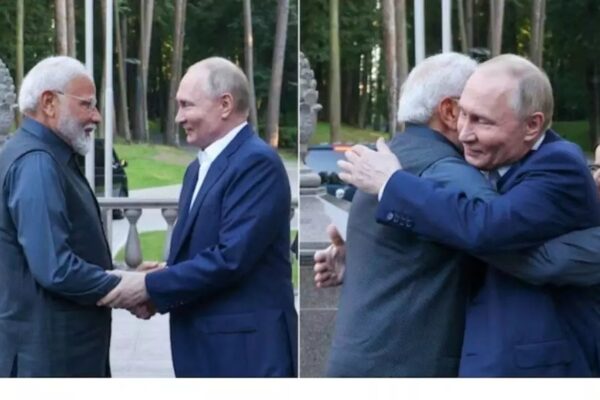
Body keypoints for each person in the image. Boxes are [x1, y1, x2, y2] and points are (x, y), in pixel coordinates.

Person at [339, 54, 600, 376]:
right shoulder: (493, 160)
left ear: (532, 125)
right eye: (464, 115)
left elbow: (486, 227)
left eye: (482, 121)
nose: (463, 133)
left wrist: (391, 185)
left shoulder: (559, 165)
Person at [98, 57, 298, 377]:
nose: (179, 117)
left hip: (246, 355)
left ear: (225, 104)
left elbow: (230, 259)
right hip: (208, 348)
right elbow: (209, 249)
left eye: (186, 105)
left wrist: (150, 286)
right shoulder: (197, 168)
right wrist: (168, 275)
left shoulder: (257, 163)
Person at [0, 56, 122, 377]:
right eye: (87, 104)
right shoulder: (37, 163)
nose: (96, 116)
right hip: (50, 361)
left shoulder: (44, 155)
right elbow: (55, 267)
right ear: (49, 103)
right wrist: (125, 286)